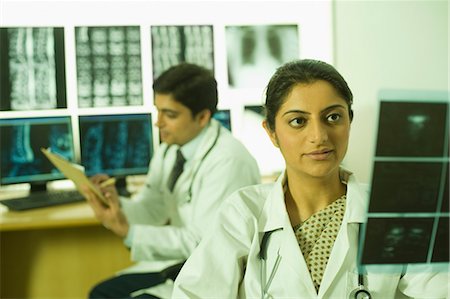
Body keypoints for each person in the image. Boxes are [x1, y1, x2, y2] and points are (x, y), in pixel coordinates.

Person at [171, 59, 449, 298]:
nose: (319, 136)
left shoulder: (392, 210)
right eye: (298, 121)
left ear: (349, 122)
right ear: (271, 132)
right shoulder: (244, 212)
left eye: (333, 117)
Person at [83, 63, 261, 299]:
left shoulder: (229, 162)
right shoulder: (170, 150)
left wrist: (129, 232)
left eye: (170, 114)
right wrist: (115, 203)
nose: (158, 123)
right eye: (158, 111)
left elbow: (203, 243)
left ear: (202, 117)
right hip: (184, 265)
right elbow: (152, 210)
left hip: (214, 276)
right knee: (101, 293)